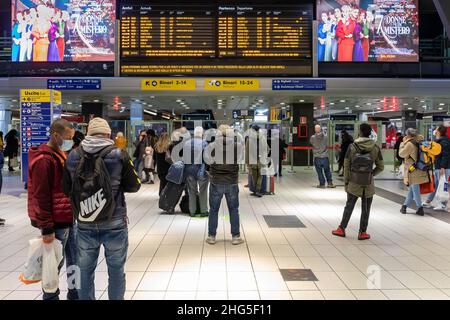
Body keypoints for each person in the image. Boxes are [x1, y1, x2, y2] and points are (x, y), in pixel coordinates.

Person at [64, 118, 141, 300]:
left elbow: (66, 188)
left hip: (84, 221)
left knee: (84, 272)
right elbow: (134, 186)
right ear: (108, 134)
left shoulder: (73, 155)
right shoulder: (119, 154)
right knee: (116, 270)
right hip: (114, 220)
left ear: (89, 133)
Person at [27, 119, 75, 300]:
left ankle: (75, 293)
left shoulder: (59, 154)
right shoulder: (44, 160)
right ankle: (50, 297)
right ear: (56, 135)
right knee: (53, 267)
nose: (70, 141)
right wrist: (46, 227)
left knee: (74, 261)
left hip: (69, 218)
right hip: (56, 224)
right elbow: (40, 196)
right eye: (67, 137)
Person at [332, 123, 384, 240]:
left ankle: (341, 229)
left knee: (349, 206)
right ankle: (362, 232)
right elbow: (381, 166)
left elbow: (346, 164)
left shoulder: (352, 147)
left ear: (359, 132)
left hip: (354, 182)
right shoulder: (375, 148)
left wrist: (346, 181)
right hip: (368, 184)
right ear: (370, 133)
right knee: (366, 209)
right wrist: (371, 174)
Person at [205, 125, 244, 245]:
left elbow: (207, 161)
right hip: (231, 181)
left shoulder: (212, 146)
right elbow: (240, 160)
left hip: (216, 181)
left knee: (213, 210)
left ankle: (211, 236)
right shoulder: (237, 146)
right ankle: (235, 237)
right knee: (233, 209)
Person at [399, 128, 430, 216]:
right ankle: (404, 206)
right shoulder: (420, 140)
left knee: (415, 189)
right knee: (412, 189)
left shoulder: (409, 144)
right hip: (420, 167)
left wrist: (402, 143)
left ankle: (420, 208)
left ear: (408, 135)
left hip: (412, 169)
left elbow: (401, 154)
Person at [423, 125, 450, 210]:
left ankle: (442, 204)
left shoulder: (444, 142)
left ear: (439, 131)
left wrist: (442, 167)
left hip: (443, 167)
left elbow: (445, 155)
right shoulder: (440, 140)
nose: (435, 131)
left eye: (436, 129)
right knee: (439, 184)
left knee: (443, 185)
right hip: (440, 166)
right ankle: (430, 201)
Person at [183, 126, 209, 217]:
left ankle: (192, 211)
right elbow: (207, 158)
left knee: (192, 191)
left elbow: (184, 158)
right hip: (202, 171)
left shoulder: (186, 143)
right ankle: (203, 211)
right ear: (202, 134)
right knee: (203, 191)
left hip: (190, 170)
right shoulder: (204, 143)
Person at [246, 125, 269, 197]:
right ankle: (258, 190)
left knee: (254, 176)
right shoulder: (263, 138)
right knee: (260, 176)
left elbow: (247, 151)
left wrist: (247, 162)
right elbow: (267, 149)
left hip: (252, 160)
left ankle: (255, 191)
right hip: (261, 160)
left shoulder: (249, 139)